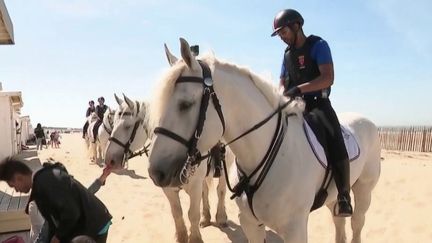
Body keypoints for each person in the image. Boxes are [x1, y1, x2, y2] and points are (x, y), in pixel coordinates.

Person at [271, 9, 353, 217]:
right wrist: (280, 96)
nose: (282, 37)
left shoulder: (319, 45)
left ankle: (344, 196)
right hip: (294, 105)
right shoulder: (287, 55)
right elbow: (282, 82)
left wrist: (300, 89)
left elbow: (328, 78)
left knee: (335, 137)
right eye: (279, 34)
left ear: (296, 26)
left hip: (318, 104)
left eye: (283, 32)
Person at [0, 158, 112, 243]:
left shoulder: (46, 182)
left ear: (19, 177)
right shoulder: (42, 181)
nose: (16, 190)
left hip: (94, 224)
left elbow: (71, 213)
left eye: (13, 186)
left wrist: (57, 237)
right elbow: (53, 221)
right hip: (87, 221)